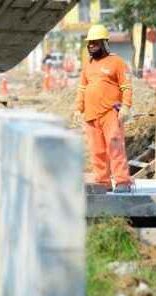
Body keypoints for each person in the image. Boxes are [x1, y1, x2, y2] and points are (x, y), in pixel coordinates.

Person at [73, 24, 133, 193]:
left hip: (111, 113)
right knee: (97, 151)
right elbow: (82, 88)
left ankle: (122, 182)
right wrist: (78, 108)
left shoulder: (117, 62)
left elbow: (126, 87)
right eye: (89, 43)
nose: (91, 46)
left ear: (104, 43)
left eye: (95, 42)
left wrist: (126, 107)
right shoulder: (88, 65)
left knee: (115, 147)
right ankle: (102, 182)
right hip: (91, 116)